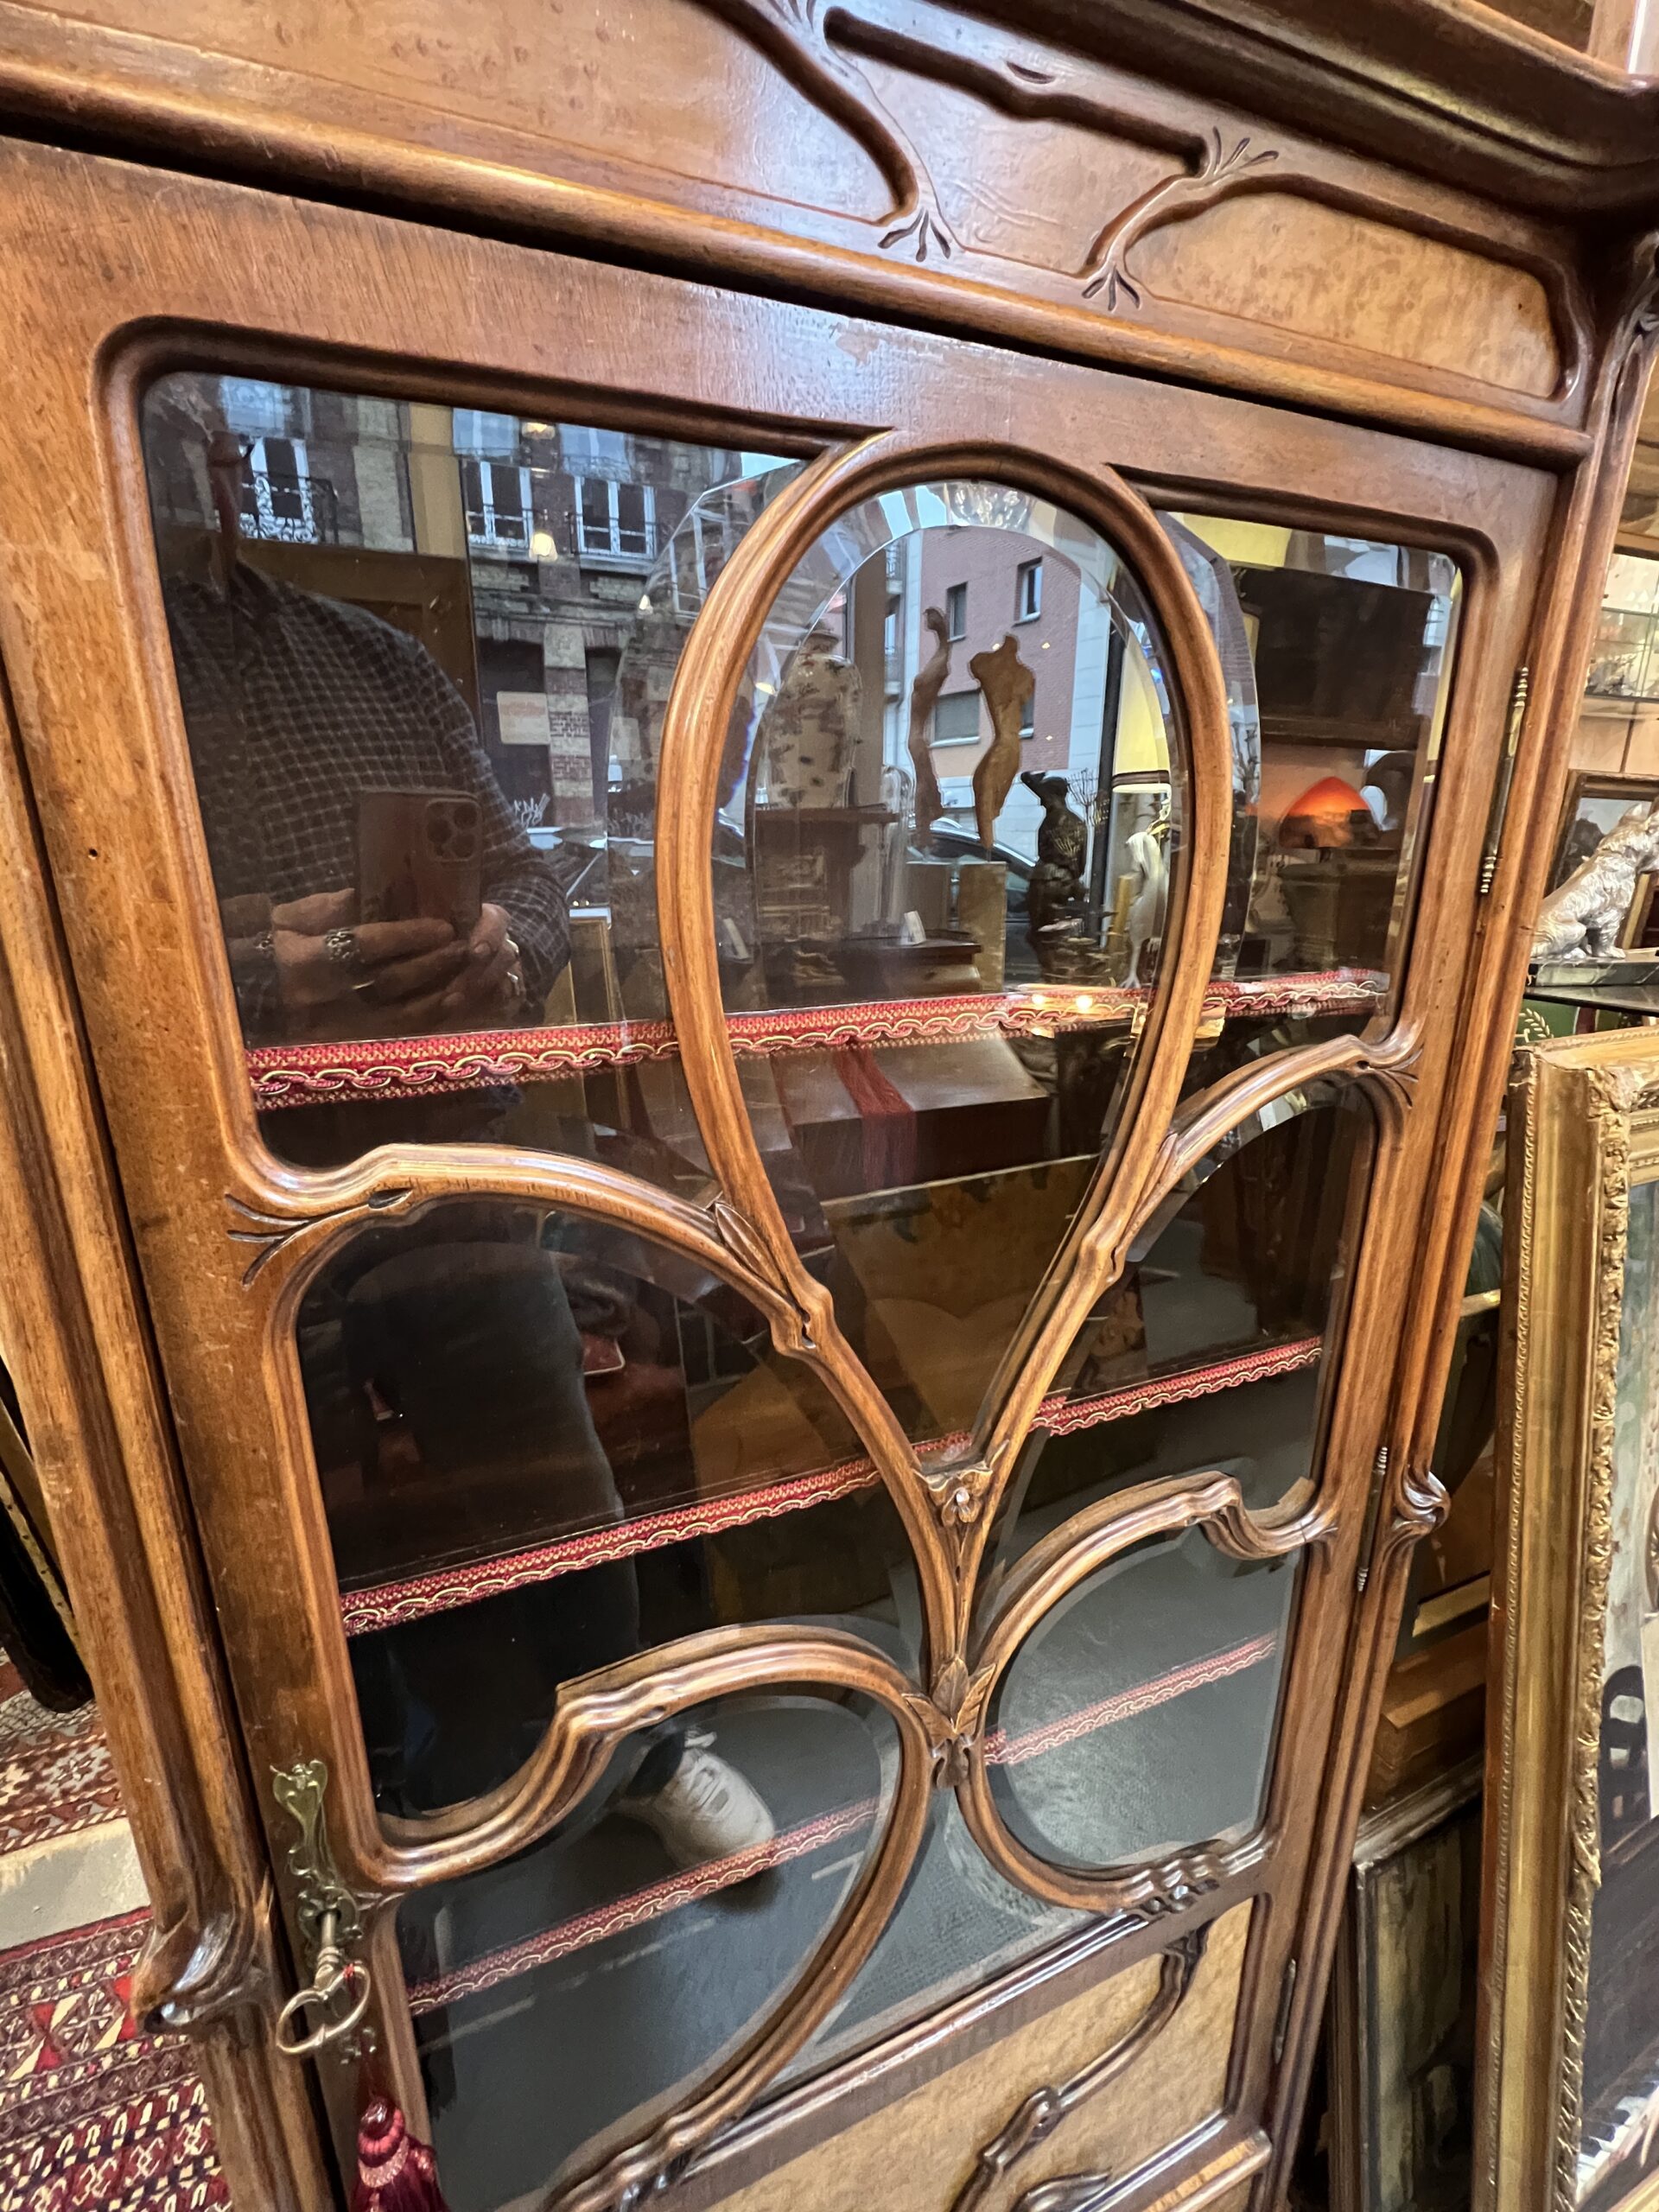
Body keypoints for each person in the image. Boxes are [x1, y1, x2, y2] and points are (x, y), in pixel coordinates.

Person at [157, 401, 771, 1866]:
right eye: (166, 439)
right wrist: (263, 979)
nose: (203, 464)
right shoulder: (68, 669)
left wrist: (510, 946)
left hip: (446, 1154)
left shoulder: (374, 660)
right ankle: (361, 1840)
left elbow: (534, 879)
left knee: (554, 1483)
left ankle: (631, 1743)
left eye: (206, 435)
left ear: (234, 462)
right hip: (206, 1190)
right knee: (292, 1554)